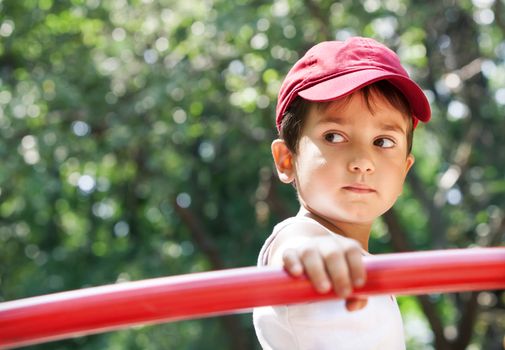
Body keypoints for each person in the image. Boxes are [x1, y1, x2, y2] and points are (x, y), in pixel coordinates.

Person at [253, 36, 431, 349]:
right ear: (286, 159)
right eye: (334, 136)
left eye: (383, 142)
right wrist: (317, 253)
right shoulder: (301, 240)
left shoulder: (364, 269)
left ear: (404, 170)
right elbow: (296, 249)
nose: (363, 161)